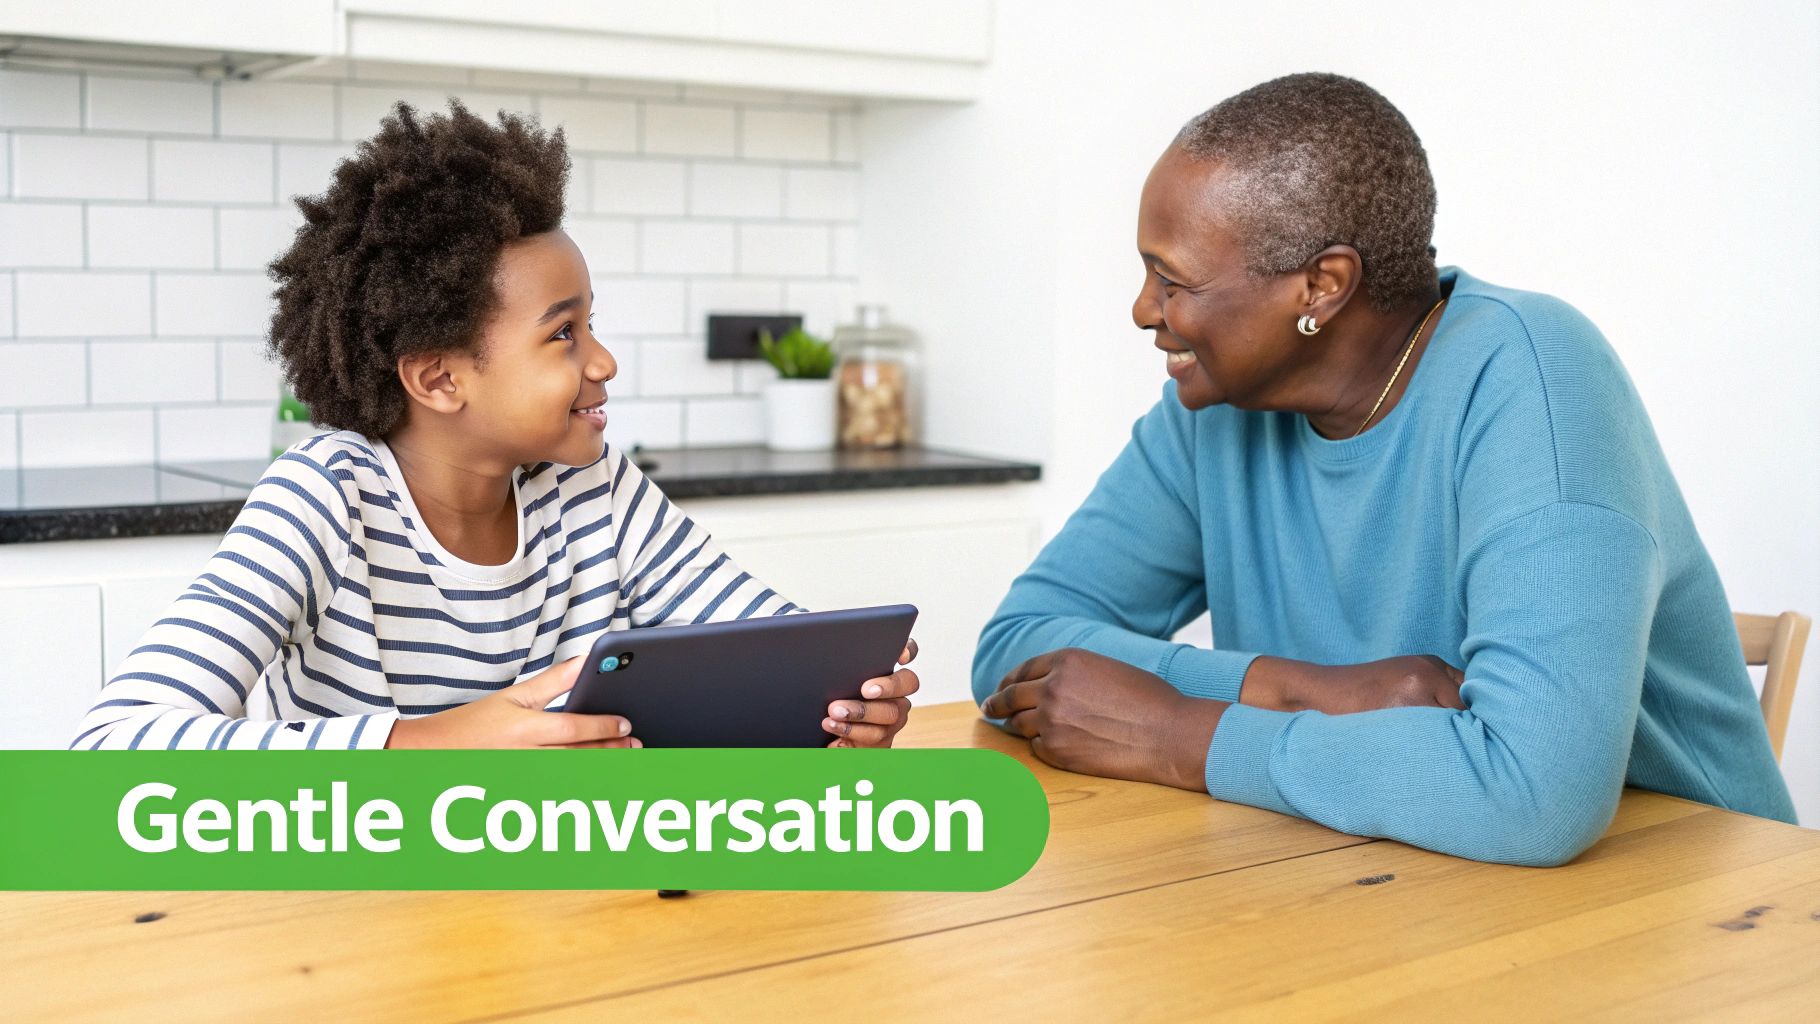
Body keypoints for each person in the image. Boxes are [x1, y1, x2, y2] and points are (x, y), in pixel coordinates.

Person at [973, 73, 1795, 867]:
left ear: (1320, 286)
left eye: (1173, 279)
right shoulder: (1215, 412)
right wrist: (1294, 688)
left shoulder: (1537, 381)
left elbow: (1535, 794)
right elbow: (1019, 643)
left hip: (1700, 900)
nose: (1143, 310)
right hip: (1388, 875)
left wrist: (1180, 732)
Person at [71, 100, 917, 751]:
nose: (603, 362)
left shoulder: (594, 488)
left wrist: (837, 701)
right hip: (358, 897)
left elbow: (763, 642)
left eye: (591, 324)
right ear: (440, 378)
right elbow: (112, 745)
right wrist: (432, 744)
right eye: (563, 334)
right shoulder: (325, 498)